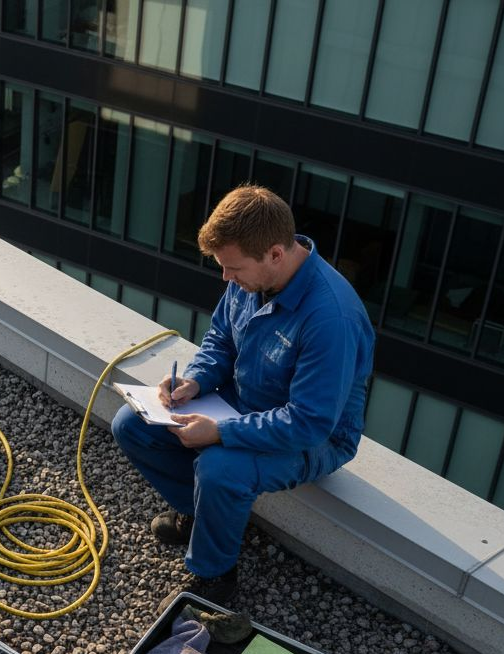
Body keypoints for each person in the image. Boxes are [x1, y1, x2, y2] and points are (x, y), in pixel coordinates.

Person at [111, 184, 374, 610]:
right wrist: (194, 382)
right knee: (131, 424)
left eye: (232, 269)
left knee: (219, 468)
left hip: (314, 438)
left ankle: (215, 577)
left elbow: (309, 422)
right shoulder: (251, 276)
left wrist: (220, 433)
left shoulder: (331, 318)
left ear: (274, 253)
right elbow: (220, 339)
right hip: (246, 401)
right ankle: (207, 519)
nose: (226, 279)